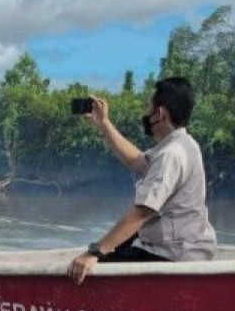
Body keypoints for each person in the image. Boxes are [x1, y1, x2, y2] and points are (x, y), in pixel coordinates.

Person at [67, 78, 217, 285]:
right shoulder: (184, 144)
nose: (145, 114)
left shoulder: (171, 154)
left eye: (148, 107)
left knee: (96, 264)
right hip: (183, 246)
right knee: (114, 246)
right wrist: (104, 124)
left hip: (173, 254)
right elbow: (136, 160)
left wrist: (94, 252)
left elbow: (142, 212)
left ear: (160, 113)